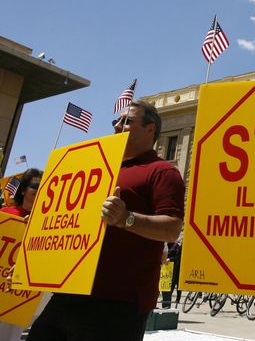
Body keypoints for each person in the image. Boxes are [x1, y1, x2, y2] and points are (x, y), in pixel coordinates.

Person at [27, 100, 186, 341]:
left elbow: (172, 229)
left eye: (126, 121)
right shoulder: (99, 167)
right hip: (69, 293)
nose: (117, 126)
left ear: (150, 129)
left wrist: (126, 218)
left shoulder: (162, 171)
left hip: (117, 302)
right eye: (116, 121)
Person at [0, 168, 44, 341]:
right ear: (24, 188)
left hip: (20, 295)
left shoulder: (46, 224)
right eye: (35, 185)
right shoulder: (4, 215)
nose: (38, 190)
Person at [161, 240, 182, 309]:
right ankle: (164, 304)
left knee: (169, 289)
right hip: (163, 271)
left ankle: (167, 305)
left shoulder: (176, 246)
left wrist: (170, 259)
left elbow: (178, 258)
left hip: (173, 270)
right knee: (163, 288)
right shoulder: (164, 244)